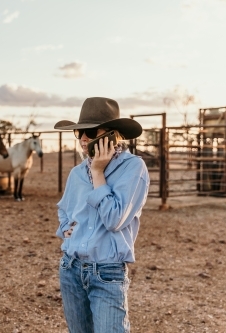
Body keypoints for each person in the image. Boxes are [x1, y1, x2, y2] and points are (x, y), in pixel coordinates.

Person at [53, 97, 150, 333]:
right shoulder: (77, 173)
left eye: (90, 131)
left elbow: (114, 219)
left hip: (107, 272)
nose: (83, 138)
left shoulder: (133, 168)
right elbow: (65, 209)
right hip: (71, 269)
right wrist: (65, 230)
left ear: (112, 135)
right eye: (79, 132)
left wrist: (98, 172)